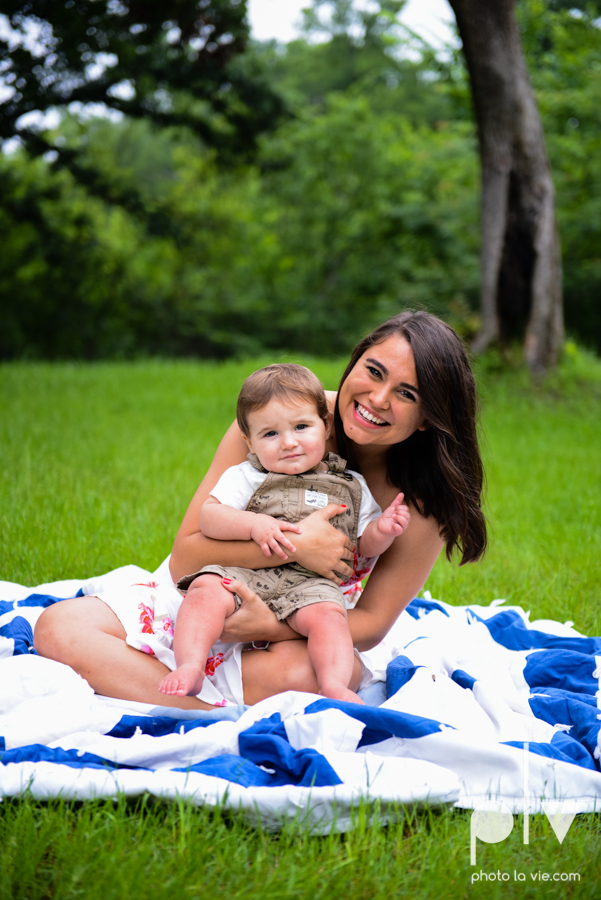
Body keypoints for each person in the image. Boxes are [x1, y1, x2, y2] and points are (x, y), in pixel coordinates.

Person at [34, 311, 487, 710]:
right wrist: (296, 546)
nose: (378, 398)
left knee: (326, 673)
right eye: (373, 371)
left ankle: (159, 690)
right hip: (212, 590)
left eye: (407, 393)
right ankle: (202, 712)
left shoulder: (424, 500)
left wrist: (269, 624)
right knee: (58, 628)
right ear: (355, 362)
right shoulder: (280, 415)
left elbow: (369, 624)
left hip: (302, 621)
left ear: (429, 415)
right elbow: (186, 557)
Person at [158, 364, 410, 704]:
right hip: (243, 574)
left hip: (310, 585)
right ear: (250, 442)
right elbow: (210, 516)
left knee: (330, 618)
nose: (289, 442)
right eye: (270, 434)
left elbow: (362, 545)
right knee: (204, 592)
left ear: (325, 426)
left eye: (302, 427)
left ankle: (333, 683)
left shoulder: (352, 485)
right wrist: (254, 525)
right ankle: (189, 665)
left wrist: (384, 530)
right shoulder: (247, 475)